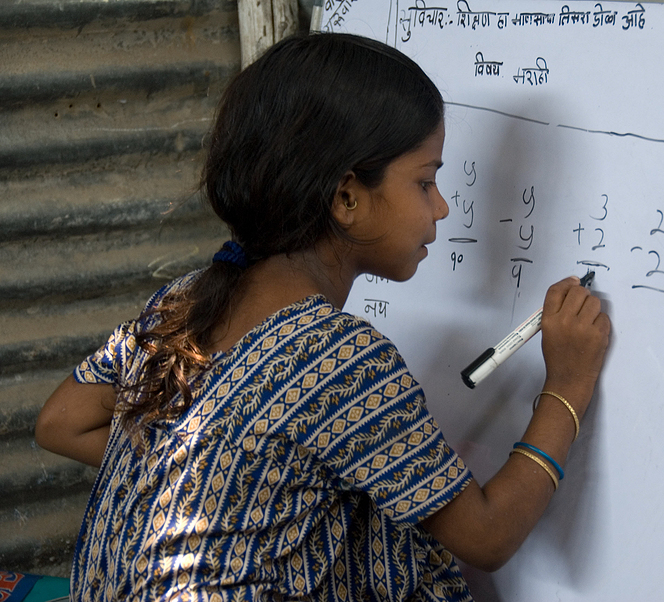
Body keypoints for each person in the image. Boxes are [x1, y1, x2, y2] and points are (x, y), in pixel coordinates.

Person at [35, 32, 611, 602]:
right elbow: (488, 536)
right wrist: (568, 383)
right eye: (425, 181)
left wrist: (234, 488)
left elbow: (62, 421)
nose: (441, 207)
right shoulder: (337, 358)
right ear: (346, 198)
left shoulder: (183, 299)